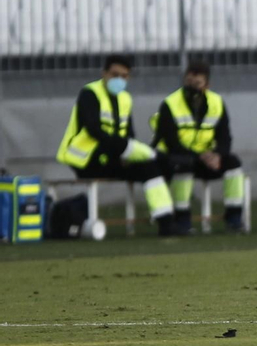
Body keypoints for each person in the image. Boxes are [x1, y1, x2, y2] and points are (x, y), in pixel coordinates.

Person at [56, 54, 178, 237]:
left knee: (151, 167)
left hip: (113, 157)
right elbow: (93, 130)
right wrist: (125, 150)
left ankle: (166, 222)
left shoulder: (125, 99)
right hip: (86, 161)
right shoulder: (89, 93)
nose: (119, 80)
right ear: (104, 73)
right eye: (114, 75)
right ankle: (154, 156)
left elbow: (129, 133)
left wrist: (126, 155)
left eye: (124, 76)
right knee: (154, 157)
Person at [149, 61, 247, 234]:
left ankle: (234, 217)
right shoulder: (170, 104)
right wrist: (200, 156)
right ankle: (182, 219)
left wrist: (217, 155)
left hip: (205, 160)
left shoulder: (217, 103)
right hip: (174, 159)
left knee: (233, 163)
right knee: (183, 164)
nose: (191, 87)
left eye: (196, 84)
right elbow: (172, 144)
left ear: (207, 85)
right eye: (188, 82)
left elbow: (225, 137)